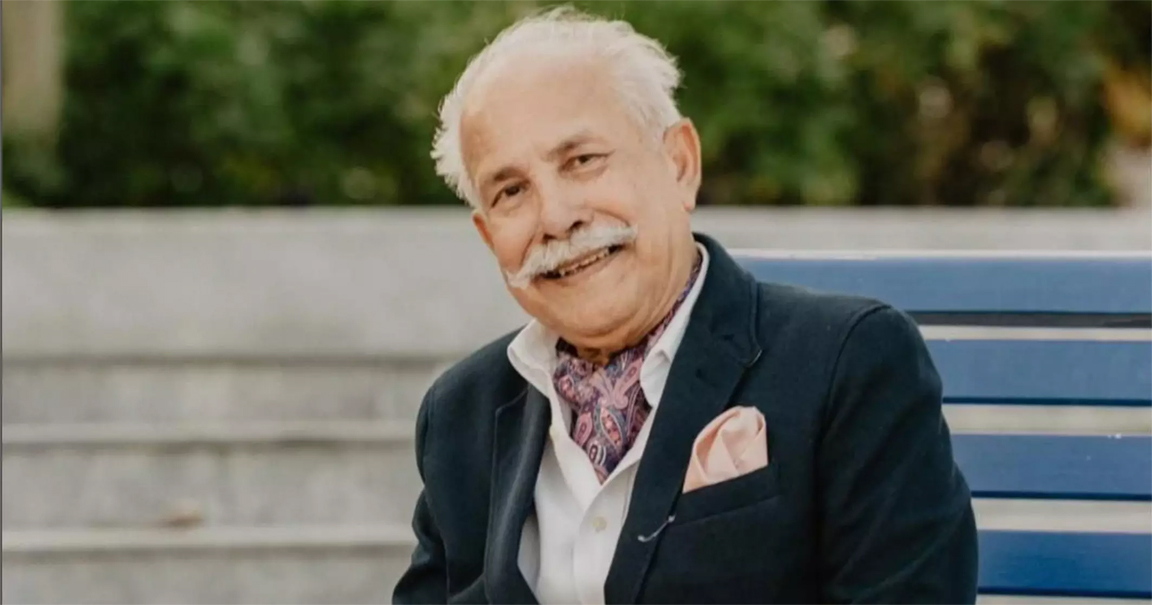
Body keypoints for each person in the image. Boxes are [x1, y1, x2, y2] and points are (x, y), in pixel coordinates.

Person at [393, 7, 977, 604]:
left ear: (679, 164)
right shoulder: (459, 415)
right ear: (488, 235)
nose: (556, 217)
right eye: (511, 191)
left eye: (582, 160)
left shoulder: (850, 364)